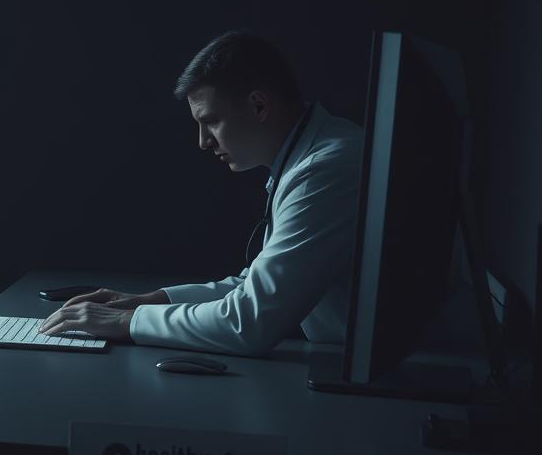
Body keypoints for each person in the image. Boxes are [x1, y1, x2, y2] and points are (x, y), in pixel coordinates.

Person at [40, 30, 364, 356]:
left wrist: (126, 321)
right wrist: (149, 301)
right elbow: (259, 289)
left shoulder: (322, 171)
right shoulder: (316, 154)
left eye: (210, 120)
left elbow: (249, 321)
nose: (203, 141)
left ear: (259, 105)